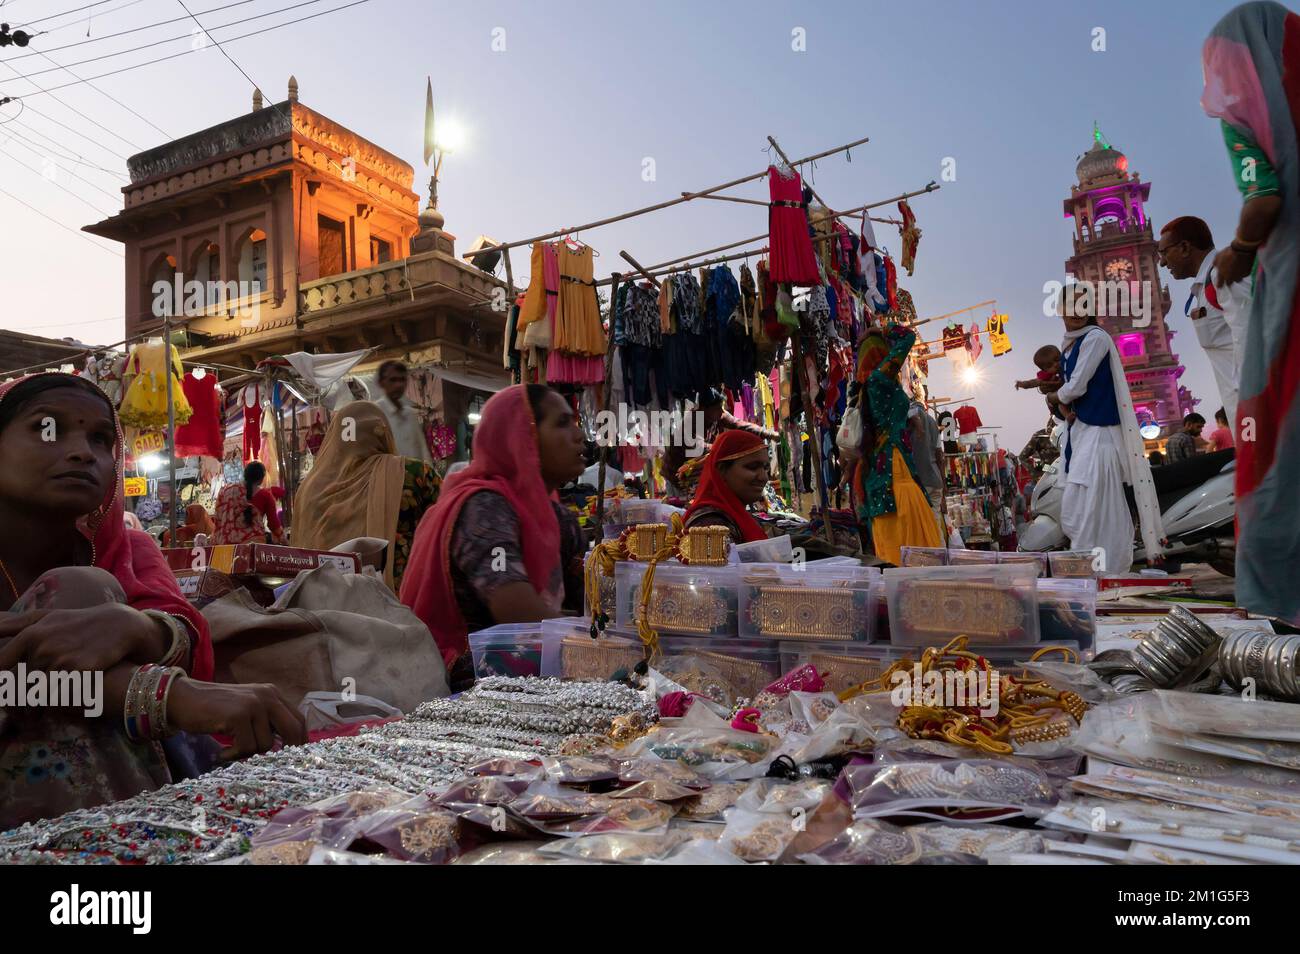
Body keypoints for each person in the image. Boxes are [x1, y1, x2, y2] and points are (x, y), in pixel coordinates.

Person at [0, 373, 304, 828]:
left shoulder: (129, 549)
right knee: (79, 589)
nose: (84, 451)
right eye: (47, 428)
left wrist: (141, 628)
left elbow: (187, 634)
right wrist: (162, 694)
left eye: (101, 439)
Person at [1201, 1, 1297, 621]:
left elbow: (1262, 194)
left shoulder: (1245, 122)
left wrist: (1240, 249)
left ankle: (1279, 597)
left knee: (1279, 442)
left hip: (1289, 281)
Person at [400, 385, 587, 684]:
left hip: (536, 677)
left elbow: (588, 600)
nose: (579, 435)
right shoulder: (484, 507)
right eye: (562, 423)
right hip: (468, 687)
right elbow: (518, 612)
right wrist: (598, 636)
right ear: (523, 438)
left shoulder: (556, 519)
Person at [1048, 289, 1164, 573]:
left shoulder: (1096, 338)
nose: (1075, 312)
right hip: (1084, 432)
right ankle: (1092, 573)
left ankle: (1103, 574)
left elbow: (1076, 386)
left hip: (1101, 435)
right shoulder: (1071, 345)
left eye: (1082, 306)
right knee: (1080, 507)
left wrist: (1055, 397)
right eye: (1069, 306)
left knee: (1097, 509)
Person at [293, 401, 440, 590]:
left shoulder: (308, 489)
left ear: (334, 438)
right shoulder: (413, 473)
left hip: (323, 604)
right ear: (384, 432)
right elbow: (446, 529)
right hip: (401, 603)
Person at [854, 324, 944, 565]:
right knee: (912, 543)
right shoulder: (879, 379)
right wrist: (882, 330)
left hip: (884, 474)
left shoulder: (869, 388)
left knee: (895, 547)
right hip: (894, 472)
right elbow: (908, 337)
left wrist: (907, 421)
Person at [1157, 216, 1252, 430]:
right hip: (1241, 408)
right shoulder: (1205, 285)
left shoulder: (1224, 275)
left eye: (1164, 253)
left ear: (1184, 247)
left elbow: (1255, 340)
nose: (1161, 262)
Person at [682, 429, 771, 544]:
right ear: (722, 470)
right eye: (753, 467)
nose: (764, 477)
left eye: (765, 468)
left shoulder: (735, 516)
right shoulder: (711, 525)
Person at [374, 360, 433, 464]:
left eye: (402, 379)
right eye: (393, 380)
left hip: (415, 478)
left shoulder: (410, 414)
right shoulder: (375, 413)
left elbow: (423, 451)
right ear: (381, 382)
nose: (399, 385)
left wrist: (430, 477)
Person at [212, 461, 285, 544]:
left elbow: (218, 519)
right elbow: (273, 524)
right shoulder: (265, 496)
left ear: (245, 475)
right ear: (261, 479)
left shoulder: (225, 491)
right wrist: (285, 540)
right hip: (253, 544)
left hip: (224, 545)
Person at [907, 401, 946, 518]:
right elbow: (939, 455)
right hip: (936, 480)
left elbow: (913, 414)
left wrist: (919, 427)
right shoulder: (933, 422)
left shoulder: (911, 413)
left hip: (921, 481)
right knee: (935, 520)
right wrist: (944, 483)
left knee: (924, 524)